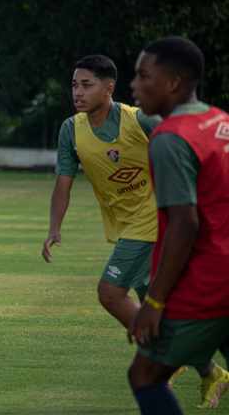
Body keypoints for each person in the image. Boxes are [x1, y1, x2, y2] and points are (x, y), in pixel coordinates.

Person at [128, 36, 229, 413]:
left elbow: (184, 224)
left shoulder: (170, 139)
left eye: (143, 76)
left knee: (144, 374)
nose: (134, 86)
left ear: (172, 82)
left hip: (206, 283)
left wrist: (153, 301)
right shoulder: (220, 121)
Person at [43, 55, 159, 328]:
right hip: (123, 223)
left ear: (108, 88)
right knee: (150, 295)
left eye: (86, 85)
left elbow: (184, 145)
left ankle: (158, 352)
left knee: (110, 293)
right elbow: (63, 181)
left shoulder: (140, 120)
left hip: (153, 216)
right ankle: (208, 370)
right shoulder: (71, 130)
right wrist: (54, 228)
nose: (78, 92)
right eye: (74, 85)